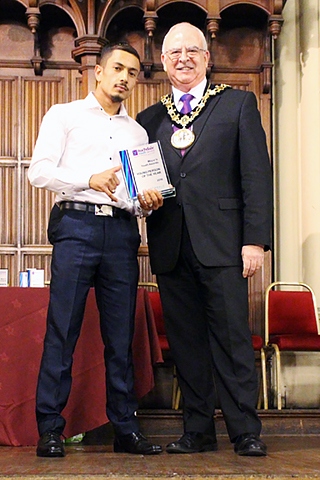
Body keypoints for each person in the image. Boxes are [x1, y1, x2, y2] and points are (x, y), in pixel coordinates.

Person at [136, 23, 273, 456]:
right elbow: (142, 184)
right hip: (171, 246)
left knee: (232, 341)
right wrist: (143, 201)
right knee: (187, 345)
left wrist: (255, 241)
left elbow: (256, 176)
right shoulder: (148, 119)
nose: (184, 58)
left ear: (207, 58)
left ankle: (244, 431)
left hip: (224, 245)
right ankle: (197, 430)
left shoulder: (237, 104)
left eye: (193, 50)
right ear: (163, 60)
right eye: (175, 51)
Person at [28, 42, 164, 458]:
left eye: (133, 72)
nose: (125, 77)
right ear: (99, 72)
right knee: (62, 330)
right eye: (118, 68)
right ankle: (51, 428)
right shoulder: (64, 115)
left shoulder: (137, 133)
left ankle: (125, 428)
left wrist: (143, 201)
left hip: (122, 233)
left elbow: (128, 193)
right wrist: (89, 177)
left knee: (120, 337)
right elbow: (39, 171)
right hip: (76, 226)